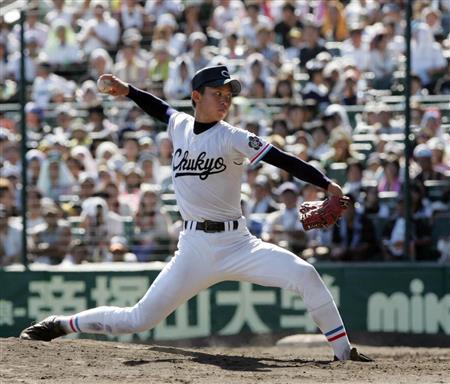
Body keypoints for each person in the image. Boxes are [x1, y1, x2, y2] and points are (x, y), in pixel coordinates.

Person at [20, 65, 371, 362]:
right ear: (196, 96)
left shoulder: (233, 136)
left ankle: (344, 353)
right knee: (139, 318)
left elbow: (282, 158)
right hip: (194, 248)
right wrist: (127, 91)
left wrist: (326, 183)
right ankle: (61, 324)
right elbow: (159, 108)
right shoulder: (180, 126)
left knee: (305, 273)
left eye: (228, 94)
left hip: (239, 244)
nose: (224, 99)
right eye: (217, 92)